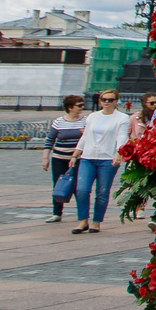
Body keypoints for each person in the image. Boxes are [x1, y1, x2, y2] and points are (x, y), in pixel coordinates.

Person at [72, 88, 131, 235]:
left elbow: (121, 137)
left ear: (116, 101)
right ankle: (82, 221)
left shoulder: (122, 118)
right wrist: (76, 153)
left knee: (102, 192)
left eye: (110, 100)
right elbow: (85, 136)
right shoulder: (93, 116)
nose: (106, 102)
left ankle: (96, 222)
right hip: (88, 157)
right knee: (82, 190)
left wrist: (118, 153)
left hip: (107, 158)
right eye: (104, 99)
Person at [43, 95, 86, 224]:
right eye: (79, 105)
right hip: (59, 157)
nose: (82, 108)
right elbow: (50, 140)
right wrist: (45, 158)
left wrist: (85, 132)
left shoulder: (85, 121)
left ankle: (82, 214)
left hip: (78, 158)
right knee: (58, 184)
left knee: (79, 186)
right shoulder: (59, 122)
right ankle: (57, 213)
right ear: (70, 107)